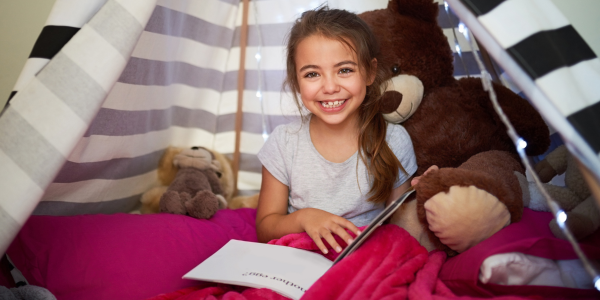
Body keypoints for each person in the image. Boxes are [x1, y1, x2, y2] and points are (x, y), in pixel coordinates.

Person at [255, 6, 417, 255]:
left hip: (365, 257)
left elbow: (401, 226)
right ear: (297, 81)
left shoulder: (393, 140)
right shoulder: (283, 143)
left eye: (345, 70)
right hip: (300, 258)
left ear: (370, 72)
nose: (330, 87)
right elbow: (265, 228)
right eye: (312, 74)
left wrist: (425, 194)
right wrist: (304, 218)